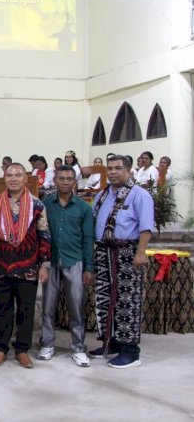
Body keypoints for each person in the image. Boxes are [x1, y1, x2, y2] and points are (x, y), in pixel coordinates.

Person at [0, 163, 50, 369]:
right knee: (1, 310)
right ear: (4, 178)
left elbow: (44, 235)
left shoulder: (37, 205)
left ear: (26, 179)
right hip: (0, 266)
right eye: (9, 175)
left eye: (18, 175)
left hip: (28, 267)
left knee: (25, 311)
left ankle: (22, 350)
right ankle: (0, 348)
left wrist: (45, 263)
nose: (13, 178)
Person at [90, 155, 153, 368]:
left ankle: (131, 351)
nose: (114, 172)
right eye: (110, 168)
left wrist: (140, 252)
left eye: (118, 168)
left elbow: (145, 227)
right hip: (104, 253)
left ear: (129, 171)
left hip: (127, 253)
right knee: (106, 300)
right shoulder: (102, 195)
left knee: (127, 301)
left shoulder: (139, 195)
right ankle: (112, 343)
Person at [39, 165, 95, 367]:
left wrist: (89, 267)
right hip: (51, 261)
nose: (65, 182)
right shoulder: (46, 205)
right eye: (61, 178)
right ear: (55, 181)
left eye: (69, 179)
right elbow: (41, 234)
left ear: (75, 182)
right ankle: (47, 343)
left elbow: (88, 238)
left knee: (76, 306)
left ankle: (78, 347)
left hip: (75, 260)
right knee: (48, 306)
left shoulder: (83, 208)